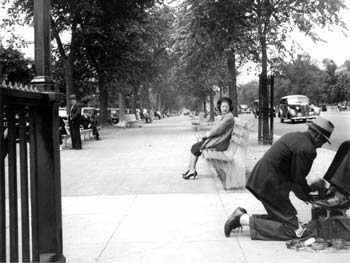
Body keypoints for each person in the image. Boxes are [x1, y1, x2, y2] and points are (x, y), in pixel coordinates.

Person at [224, 117, 335, 240]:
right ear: (317, 136)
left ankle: (241, 217)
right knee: (293, 230)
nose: (321, 144)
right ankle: (241, 219)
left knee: (282, 218)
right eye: (323, 141)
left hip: (263, 180)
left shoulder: (295, 136)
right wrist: (307, 193)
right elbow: (297, 180)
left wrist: (306, 191)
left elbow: (295, 178)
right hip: (270, 185)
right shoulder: (308, 149)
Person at [182, 97, 235, 180]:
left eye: (226, 106)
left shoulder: (229, 117)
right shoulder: (225, 116)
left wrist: (207, 135)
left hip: (220, 142)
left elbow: (218, 130)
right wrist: (206, 136)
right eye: (222, 106)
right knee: (196, 147)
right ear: (220, 107)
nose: (224, 108)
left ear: (230, 107)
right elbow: (217, 129)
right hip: (219, 140)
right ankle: (190, 169)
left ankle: (192, 170)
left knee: (195, 147)